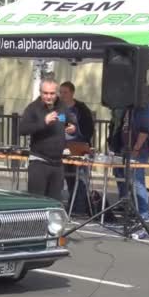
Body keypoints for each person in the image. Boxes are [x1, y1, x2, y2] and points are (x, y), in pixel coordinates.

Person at [20, 78, 77, 201]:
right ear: (40, 92)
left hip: (57, 163)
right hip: (39, 162)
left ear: (56, 93)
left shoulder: (61, 106)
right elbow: (22, 129)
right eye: (45, 93)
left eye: (52, 93)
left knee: (54, 202)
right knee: (37, 201)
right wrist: (43, 122)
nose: (49, 97)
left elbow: (69, 120)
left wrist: (72, 126)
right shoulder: (33, 108)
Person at [109, 101, 149, 222]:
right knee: (124, 177)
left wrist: (136, 148)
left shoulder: (144, 105)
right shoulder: (128, 105)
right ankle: (130, 207)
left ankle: (143, 214)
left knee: (137, 180)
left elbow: (145, 130)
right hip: (126, 146)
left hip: (138, 149)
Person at [59, 81, 95, 215]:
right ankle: (69, 205)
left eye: (65, 92)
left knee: (79, 178)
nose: (62, 95)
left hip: (79, 148)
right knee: (66, 178)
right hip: (62, 148)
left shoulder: (81, 109)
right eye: (60, 92)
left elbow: (89, 129)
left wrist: (76, 130)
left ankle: (79, 208)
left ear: (72, 93)